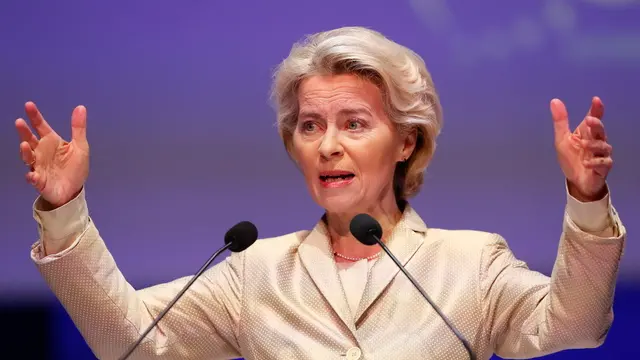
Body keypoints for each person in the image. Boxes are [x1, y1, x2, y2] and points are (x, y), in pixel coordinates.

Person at [16, 27, 625, 360]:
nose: (327, 145)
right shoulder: (251, 272)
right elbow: (129, 343)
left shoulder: (469, 264)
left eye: (355, 123)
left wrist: (585, 195)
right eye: (310, 126)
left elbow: (573, 324)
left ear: (407, 141)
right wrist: (65, 211)